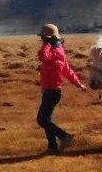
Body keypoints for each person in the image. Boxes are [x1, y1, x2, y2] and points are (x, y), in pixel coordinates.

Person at [36, 23, 86, 154]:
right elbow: (68, 70)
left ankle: (65, 136)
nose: (41, 40)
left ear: (48, 38)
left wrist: (47, 44)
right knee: (47, 120)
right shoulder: (58, 50)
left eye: (43, 38)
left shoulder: (55, 51)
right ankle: (52, 147)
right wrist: (78, 83)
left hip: (52, 92)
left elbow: (43, 57)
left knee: (42, 120)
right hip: (50, 90)